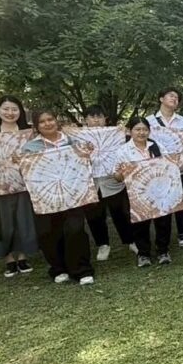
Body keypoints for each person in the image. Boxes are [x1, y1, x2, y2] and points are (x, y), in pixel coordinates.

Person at [21, 108, 95, 285]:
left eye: (50, 119)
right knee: (49, 232)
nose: (47, 124)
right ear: (36, 126)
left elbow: (84, 166)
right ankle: (58, 268)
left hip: (73, 195)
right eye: (42, 121)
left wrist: (87, 154)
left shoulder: (72, 142)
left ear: (56, 120)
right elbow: (28, 173)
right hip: (46, 197)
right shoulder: (30, 148)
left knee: (75, 229)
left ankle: (82, 270)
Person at [0, 95, 38, 278]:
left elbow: (38, 153)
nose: (10, 113)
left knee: (23, 219)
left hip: (24, 183)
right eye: (6, 109)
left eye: (14, 109)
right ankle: (9, 259)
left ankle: (23, 256)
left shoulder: (29, 131)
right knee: (3, 221)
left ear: (20, 111)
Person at [115, 116, 172, 267]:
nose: (141, 133)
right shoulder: (123, 151)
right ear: (130, 131)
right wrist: (121, 173)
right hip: (136, 193)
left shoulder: (156, 146)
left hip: (158, 190)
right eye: (137, 129)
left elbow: (168, 165)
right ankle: (144, 253)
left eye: (145, 129)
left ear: (149, 131)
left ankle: (163, 251)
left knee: (163, 221)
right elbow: (117, 177)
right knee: (140, 223)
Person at [82, 105, 136, 262]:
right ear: (85, 120)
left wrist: (124, 132)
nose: (96, 120)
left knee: (121, 212)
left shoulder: (115, 134)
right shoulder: (78, 136)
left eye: (99, 116)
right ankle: (103, 244)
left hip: (113, 179)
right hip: (90, 182)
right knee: (94, 215)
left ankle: (130, 240)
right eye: (92, 117)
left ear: (105, 119)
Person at [147, 87, 183, 248]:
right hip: (159, 169)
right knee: (162, 200)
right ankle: (163, 236)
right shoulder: (149, 121)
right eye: (171, 96)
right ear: (161, 98)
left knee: (182, 199)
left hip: (180, 167)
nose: (174, 99)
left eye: (177, 97)